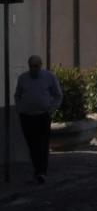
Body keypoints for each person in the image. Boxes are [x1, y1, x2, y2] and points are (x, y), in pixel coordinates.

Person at [15, 56, 61, 184]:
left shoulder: (49, 77)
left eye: (36, 66)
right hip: (27, 116)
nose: (33, 69)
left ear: (41, 65)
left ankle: (41, 172)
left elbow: (58, 95)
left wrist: (51, 109)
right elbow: (17, 95)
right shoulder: (23, 78)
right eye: (31, 66)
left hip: (42, 115)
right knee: (32, 144)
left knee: (42, 144)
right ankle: (37, 169)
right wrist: (20, 109)